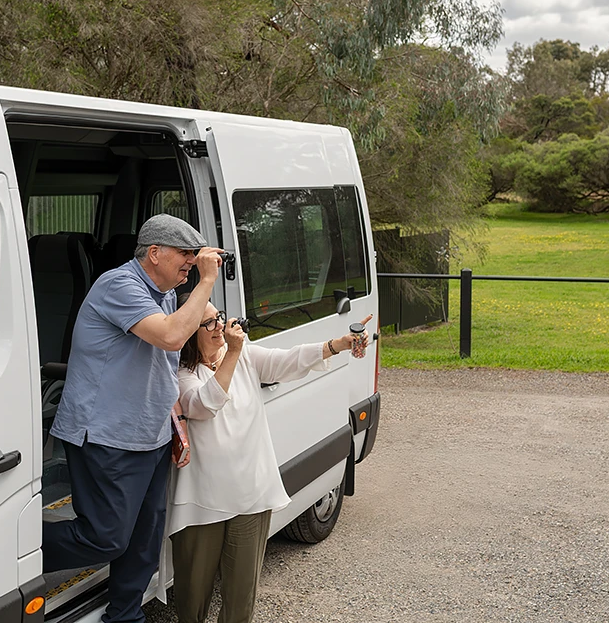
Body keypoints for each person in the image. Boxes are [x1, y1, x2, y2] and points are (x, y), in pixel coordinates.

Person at [45, 214, 224, 623]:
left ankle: (124, 616)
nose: (192, 263)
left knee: (143, 541)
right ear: (154, 253)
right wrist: (207, 282)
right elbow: (173, 336)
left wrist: (175, 418)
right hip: (107, 437)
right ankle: (11, 552)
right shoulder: (118, 285)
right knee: (105, 538)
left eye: (196, 257)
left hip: (151, 435)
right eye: (186, 254)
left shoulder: (164, 291)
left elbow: (160, 366)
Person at [167, 304, 372, 623]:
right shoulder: (182, 376)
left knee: (241, 600)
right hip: (202, 504)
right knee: (191, 599)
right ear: (189, 333)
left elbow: (286, 360)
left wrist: (337, 344)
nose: (220, 326)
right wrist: (234, 352)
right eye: (209, 323)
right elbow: (206, 403)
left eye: (219, 317)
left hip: (251, 495)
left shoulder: (243, 355)